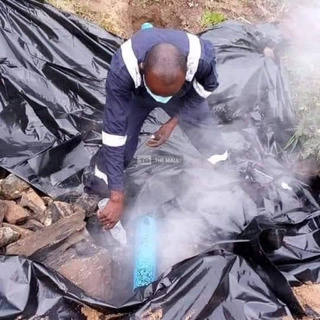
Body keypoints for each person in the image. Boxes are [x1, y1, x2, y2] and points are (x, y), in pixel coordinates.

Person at [85, 24, 228, 230]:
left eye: (165, 96)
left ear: (187, 70)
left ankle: (224, 177)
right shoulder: (122, 70)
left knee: (209, 139)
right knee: (121, 149)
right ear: (142, 67)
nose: (161, 100)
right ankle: (100, 185)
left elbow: (207, 87)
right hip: (137, 95)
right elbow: (114, 132)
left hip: (182, 96)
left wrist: (173, 121)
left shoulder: (202, 59)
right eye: (158, 94)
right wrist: (117, 196)